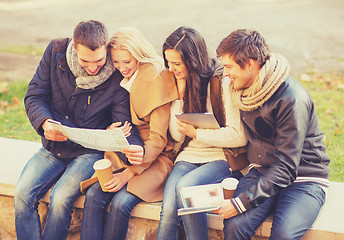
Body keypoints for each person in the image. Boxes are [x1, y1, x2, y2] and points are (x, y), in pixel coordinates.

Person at [14, 20, 143, 240]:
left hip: (88, 153)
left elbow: (124, 125)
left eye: (100, 60)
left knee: (61, 198)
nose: (93, 68)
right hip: (53, 146)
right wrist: (45, 123)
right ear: (74, 47)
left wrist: (132, 148)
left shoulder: (117, 75)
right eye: (85, 61)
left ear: (107, 50)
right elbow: (35, 95)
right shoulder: (55, 52)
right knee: (22, 195)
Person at [215, 29, 330, 240]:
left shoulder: (291, 98)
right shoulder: (243, 90)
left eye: (229, 67)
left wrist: (241, 203)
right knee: (235, 227)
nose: (226, 73)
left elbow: (286, 168)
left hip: (303, 176)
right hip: (262, 170)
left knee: (283, 235)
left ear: (250, 63)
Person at [80, 26, 178, 240]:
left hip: (155, 158)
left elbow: (159, 139)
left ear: (139, 56)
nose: (122, 68)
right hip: (124, 149)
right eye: (116, 62)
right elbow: (115, 117)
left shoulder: (156, 78)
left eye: (127, 61)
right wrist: (110, 131)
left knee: (121, 204)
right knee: (95, 194)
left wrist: (129, 173)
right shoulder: (117, 78)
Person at [156, 26, 247, 240]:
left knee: (185, 188)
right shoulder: (181, 82)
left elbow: (238, 136)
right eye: (168, 62)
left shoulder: (222, 82)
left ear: (193, 59)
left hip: (221, 157)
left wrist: (197, 134)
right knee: (168, 210)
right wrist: (179, 96)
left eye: (177, 63)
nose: (171, 69)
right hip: (188, 157)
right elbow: (178, 136)